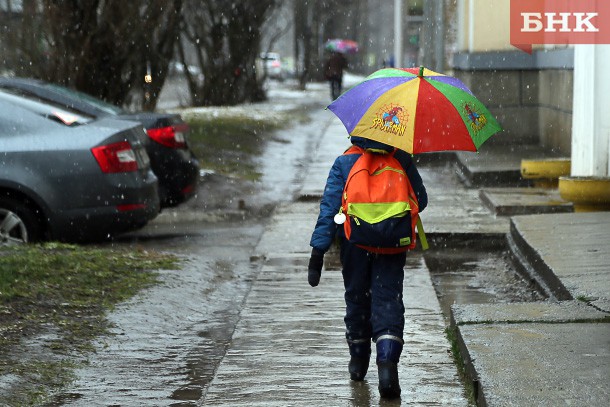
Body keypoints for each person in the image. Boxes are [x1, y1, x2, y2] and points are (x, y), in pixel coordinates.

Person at [307, 136, 428, 399]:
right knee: (388, 299)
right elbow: (421, 199)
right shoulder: (401, 158)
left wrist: (318, 250)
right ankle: (387, 367)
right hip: (393, 242)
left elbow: (330, 208)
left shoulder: (345, 161)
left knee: (357, 297)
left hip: (354, 243)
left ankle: (358, 358)